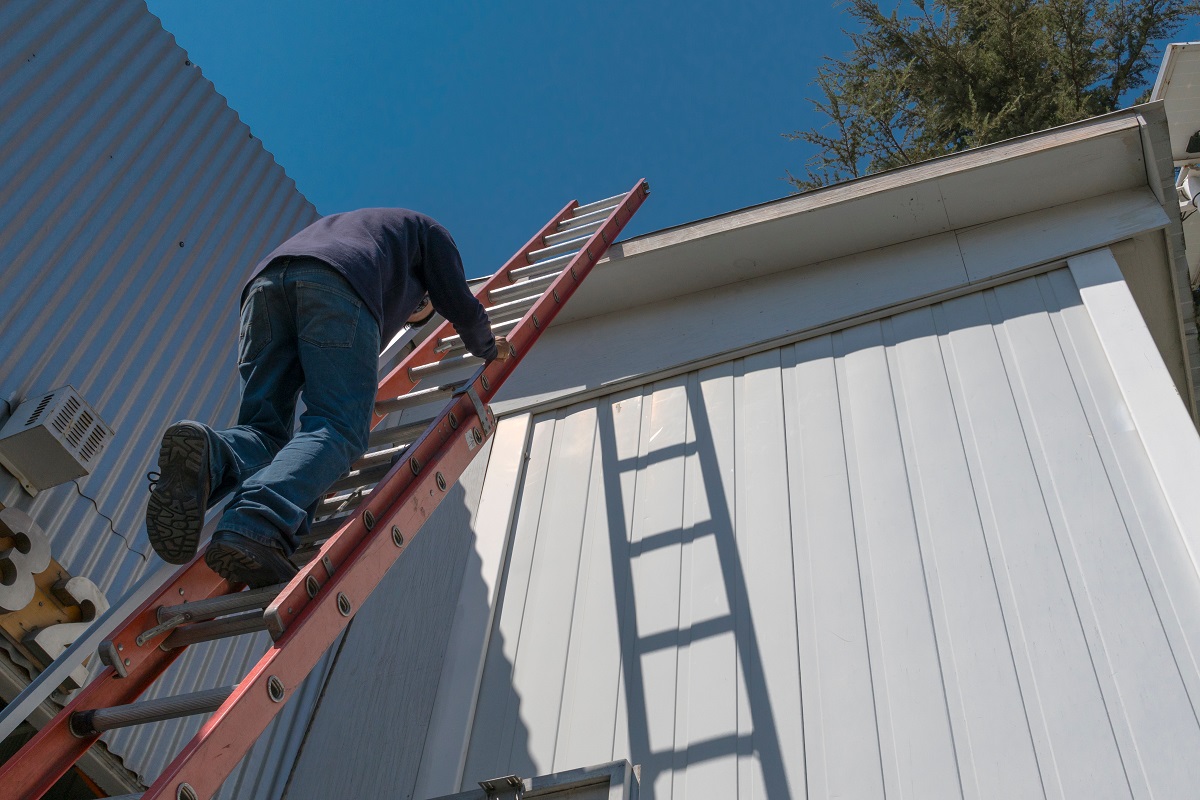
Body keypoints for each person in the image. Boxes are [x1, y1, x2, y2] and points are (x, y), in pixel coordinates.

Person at [145, 209, 507, 588]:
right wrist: (486, 345)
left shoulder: (361, 225)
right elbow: (457, 300)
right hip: (339, 283)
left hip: (264, 287)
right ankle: (257, 521)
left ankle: (211, 456)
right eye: (416, 311)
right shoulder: (429, 232)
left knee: (263, 431)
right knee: (339, 425)